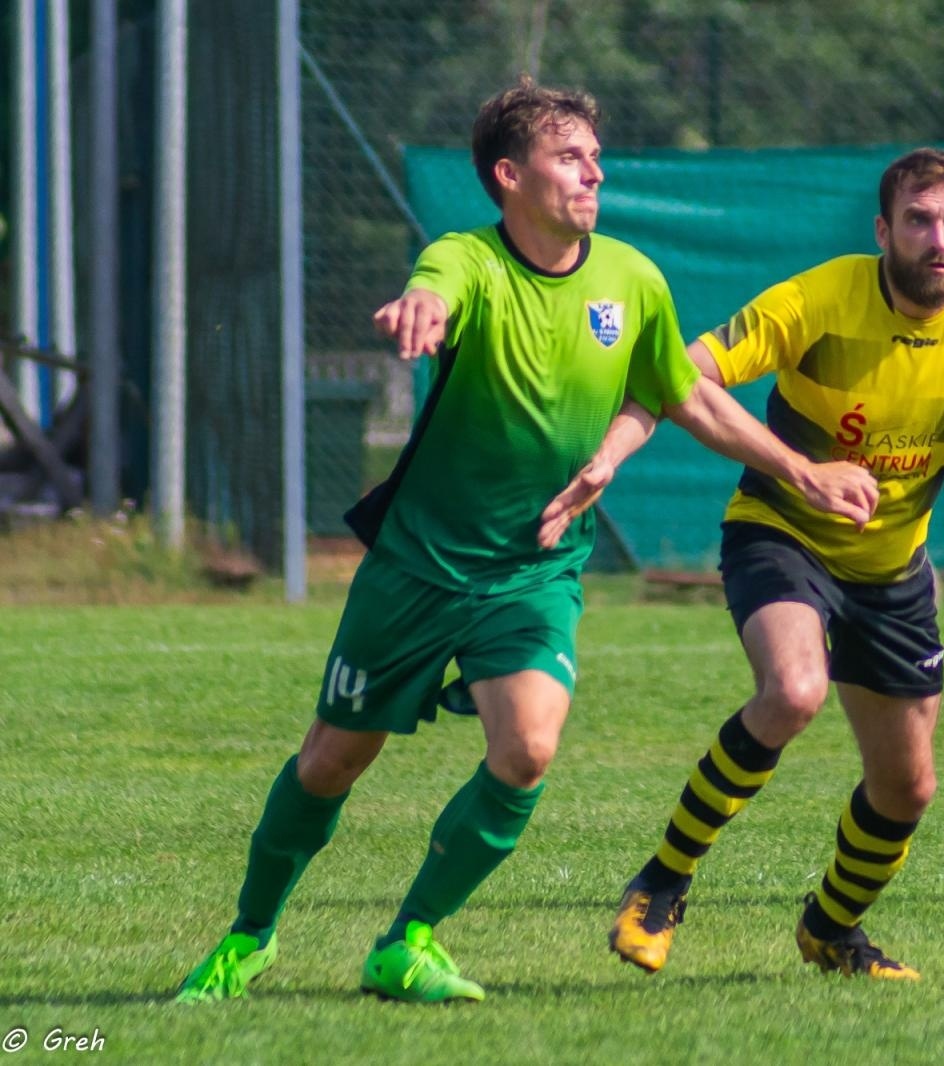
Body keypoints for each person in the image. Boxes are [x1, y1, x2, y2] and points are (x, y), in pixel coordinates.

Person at [174, 77, 877, 1005]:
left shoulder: (631, 278)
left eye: (594, 155)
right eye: (570, 157)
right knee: (331, 762)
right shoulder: (467, 259)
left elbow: (687, 395)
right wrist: (421, 306)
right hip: (418, 567)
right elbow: (438, 284)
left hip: (534, 571)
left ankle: (408, 941)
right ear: (510, 176)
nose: (594, 171)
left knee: (527, 751)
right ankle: (249, 936)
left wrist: (801, 470)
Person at [539, 147, 944, 981]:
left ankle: (832, 930)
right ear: (882, 229)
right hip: (782, 534)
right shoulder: (819, 299)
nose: (938, 239)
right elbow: (678, 377)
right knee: (794, 689)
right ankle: (662, 883)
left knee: (908, 789)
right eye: (919, 221)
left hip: (894, 573)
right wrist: (614, 456)